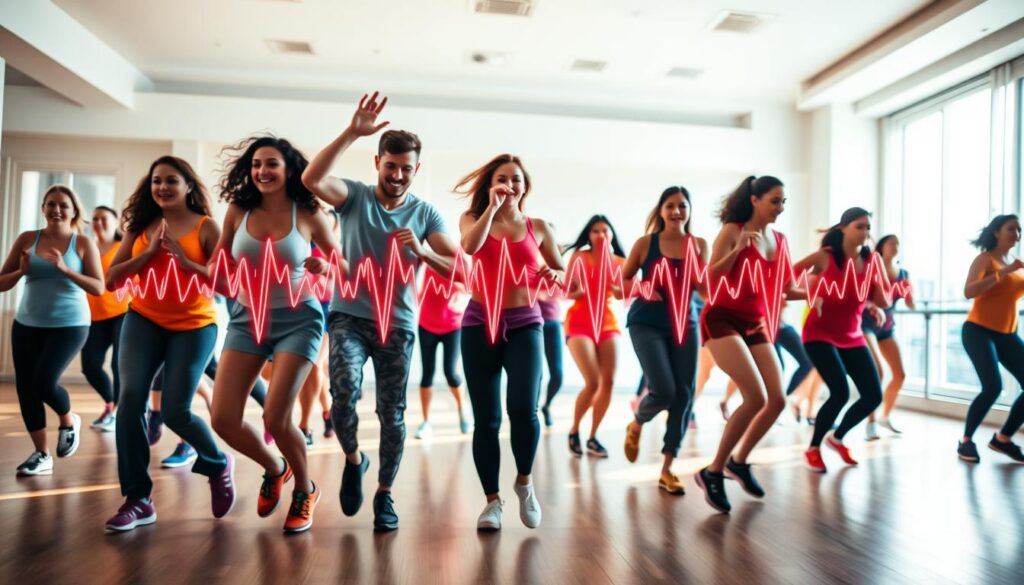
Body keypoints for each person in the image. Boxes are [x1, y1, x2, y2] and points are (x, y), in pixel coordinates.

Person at [302, 91, 459, 531]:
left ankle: (385, 495)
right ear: (378, 163)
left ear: (416, 170)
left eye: (406, 168)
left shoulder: (425, 213)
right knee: (344, 393)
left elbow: (460, 268)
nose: (397, 175)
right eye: (390, 166)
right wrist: (352, 131)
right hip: (349, 315)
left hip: (400, 326)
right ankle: (354, 459)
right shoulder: (353, 197)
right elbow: (313, 179)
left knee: (391, 414)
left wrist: (424, 253)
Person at [209, 135, 343, 533]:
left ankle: (305, 488)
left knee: (276, 416)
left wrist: (326, 269)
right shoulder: (238, 210)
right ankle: (275, 466)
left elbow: (343, 265)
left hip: (298, 321)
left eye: (271, 164)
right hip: (247, 321)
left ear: (289, 171)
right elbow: (220, 258)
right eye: (255, 165)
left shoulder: (308, 214)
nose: (262, 172)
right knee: (223, 419)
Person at [104, 156, 233, 532]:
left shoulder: (207, 227)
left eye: (171, 181)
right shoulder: (141, 226)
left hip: (195, 326)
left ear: (188, 186)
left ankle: (217, 462)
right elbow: (111, 280)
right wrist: (145, 256)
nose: (162, 187)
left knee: (176, 411)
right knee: (130, 404)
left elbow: (227, 285)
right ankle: (137, 499)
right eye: (156, 180)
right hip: (143, 320)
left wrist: (186, 261)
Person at [457, 153, 565, 531]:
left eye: (516, 179)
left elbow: (564, 278)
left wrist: (554, 273)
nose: (510, 185)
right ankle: (492, 503)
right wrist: (492, 208)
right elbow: (469, 248)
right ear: (490, 185)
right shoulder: (473, 219)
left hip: (525, 323)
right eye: (502, 178)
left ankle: (524, 483)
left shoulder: (540, 227)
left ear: (525, 185)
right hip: (478, 323)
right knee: (486, 420)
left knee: (523, 407)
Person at [695, 175, 796, 513]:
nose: (780, 208)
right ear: (755, 200)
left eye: (783, 202)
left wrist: (821, 291)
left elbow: (789, 287)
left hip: (755, 322)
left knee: (777, 400)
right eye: (774, 201)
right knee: (755, 396)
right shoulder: (732, 230)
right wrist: (738, 250)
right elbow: (709, 278)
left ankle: (738, 462)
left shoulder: (780, 241)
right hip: (721, 318)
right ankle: (712, 471)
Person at [0, 185, 103, 476]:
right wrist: (21, 270)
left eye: (63, 205)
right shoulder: (26, 239)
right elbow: (1, 282)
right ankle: (41, 454)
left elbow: (98, 287)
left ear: (73, 211)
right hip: (27, 323)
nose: (57, 209)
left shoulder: (82, 243)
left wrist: (66, 269)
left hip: (70, 324)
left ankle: (69, 420)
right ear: (43, 208)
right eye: (51, 204)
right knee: (25, 388)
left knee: (44, 383)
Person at [622, 187, 707, 495]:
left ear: (689, 210)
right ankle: (637, 423)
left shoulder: (699, 245)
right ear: (660, 211)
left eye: (682, 206)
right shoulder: (646, 244)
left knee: (684, 395)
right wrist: (643, 287)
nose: (676, 211)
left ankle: (667, 469)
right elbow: (623, 282)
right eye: (670, 206)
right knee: (664, 390)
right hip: (647, 323)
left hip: (686, 324)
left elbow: (703, 287)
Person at [800, 207, 891, 473]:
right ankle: (814, 447)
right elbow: (788, 276)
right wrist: (812, 292)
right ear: (843, 229)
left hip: (852, 336)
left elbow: (883, 299)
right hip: (819, 334)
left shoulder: (870, 260)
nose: (864, 232)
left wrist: (878, 272)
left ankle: (836, 438)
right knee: (839, 392)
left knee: (873, 395)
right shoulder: (826, 257)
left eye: (867, 228)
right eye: (859, 226)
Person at [957, 214, 1024, 463]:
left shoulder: (1016, 264)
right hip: (978, 330)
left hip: (1007, 334)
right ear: (997, 232)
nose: (1017, 234)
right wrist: (1006, 270)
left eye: (1019, 230)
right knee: (992, 387)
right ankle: (966, 442)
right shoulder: (986, 259)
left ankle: (1003, 439)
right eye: (1011, 229)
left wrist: (1013, 269)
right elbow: (969, 291)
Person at [563, 215, 627, 457]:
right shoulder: (579, 257)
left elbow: (624, 293)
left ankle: (592, 437)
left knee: (608, 382)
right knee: (593, 381)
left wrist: (614, 287)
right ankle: (574, 430)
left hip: (607, 322)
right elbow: (569, 291)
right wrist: (576, 290)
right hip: (579, 321)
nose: (600, 235)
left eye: (604, 230)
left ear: (611, 235)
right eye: (595, 231)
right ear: (589, 236)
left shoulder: (620, 261)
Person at [82, 205, 129, 432]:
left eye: (104, 218)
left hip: (123, 313)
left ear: (116, 221)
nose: (98, 222)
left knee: (118, 364)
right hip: (94, 317)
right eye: (94, 218)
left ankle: (119, 412)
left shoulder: (124, 247)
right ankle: (110, 403)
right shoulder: (86, 247)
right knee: (90, 365)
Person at [862, 234, 914, 439]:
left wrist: (909, 293)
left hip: (887, 328)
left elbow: (911, 303)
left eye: (898, 243)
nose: (896, 247)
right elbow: (860, 295)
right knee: (877, 372)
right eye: (892, 243)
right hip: (866, 324)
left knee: (900, 374)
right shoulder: (871, 269)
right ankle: (871, 423)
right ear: (882, 247)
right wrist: (873, 305)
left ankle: (885, 417)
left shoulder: (903, 273)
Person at [414, 266, 471, 440]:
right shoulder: (429, 262)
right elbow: (420, 289)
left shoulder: (460, 261)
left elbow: (470, 288)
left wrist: (461, 286)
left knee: (451, 373)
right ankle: (425, 422)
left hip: (453, 325)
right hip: (427, 324)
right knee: (427, 374)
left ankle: (463, 408)